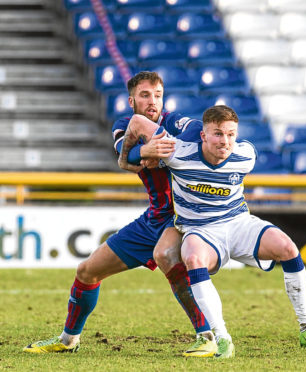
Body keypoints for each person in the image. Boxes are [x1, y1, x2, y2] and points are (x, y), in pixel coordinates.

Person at [23, 71, 216, 357]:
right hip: (152, 219)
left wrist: (156, 146)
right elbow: (124, 153)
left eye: (158, 95)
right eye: (145, 95)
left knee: (166, 256)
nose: (153, 101)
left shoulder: (174, 121)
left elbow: (197, 130)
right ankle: (67, 340)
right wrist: (143, 151)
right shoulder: (124, 125)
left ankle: (208, 337)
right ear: (131, 100)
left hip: (181, 218)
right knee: (86, 272)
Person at [119, 105, 306, 357]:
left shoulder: (246, 155)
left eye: (231, 134)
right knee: (193, 258)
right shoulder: (177, 152)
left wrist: (135, 155)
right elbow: (137, 121)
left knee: (288, 248)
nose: (225, 141)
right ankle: (222, 337)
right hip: (200, 230)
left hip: (239, 223)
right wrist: (134, 154)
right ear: (203, 135)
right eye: (218, 134)